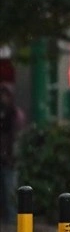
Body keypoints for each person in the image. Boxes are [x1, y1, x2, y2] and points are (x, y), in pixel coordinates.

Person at [0, 83, 26, 223]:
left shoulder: (15, 115)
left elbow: (17, 138)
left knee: (10, 193)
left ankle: (12, 222)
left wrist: (12, 157)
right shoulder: (5, 115)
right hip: (5, 159)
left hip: (10, 161)